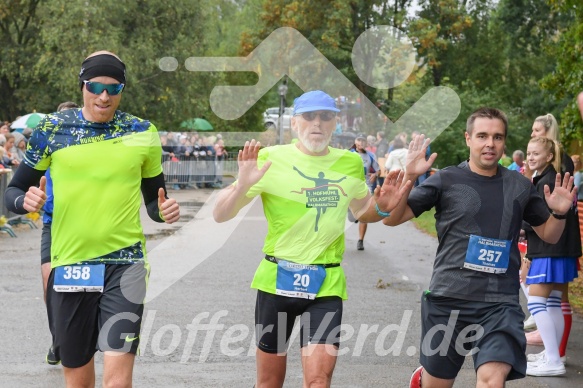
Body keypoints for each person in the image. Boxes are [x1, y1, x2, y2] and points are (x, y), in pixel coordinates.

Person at [4, 51, 180, 387]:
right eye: (96, 86)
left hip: (126, 264)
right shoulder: (52, 129)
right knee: (78, 380)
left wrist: (164, 211)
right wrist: (23, 200)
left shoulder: (142, 132)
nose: (104, 96)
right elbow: (12, 191)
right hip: (71, 263)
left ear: (123, 90)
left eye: (113, 89)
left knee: (117, 380)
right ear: (83, 85)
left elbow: (155, 200)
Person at [213, 90, 409, 388]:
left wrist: (382, 206)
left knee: (318, 381)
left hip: (326, 283)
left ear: (335, 124)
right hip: (276, 280)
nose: (317, 123)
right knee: (269, 383)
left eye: (325, 117)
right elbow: (220, 215)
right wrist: (241, 185)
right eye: (309, 116)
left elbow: (361, 212)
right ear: (295, 123)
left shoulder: (350, 163)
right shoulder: (269, 159)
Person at [378, 107, 575, 388]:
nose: (490, 144)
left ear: (504, 142)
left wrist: (558, 213)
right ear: (468, 138)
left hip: (500, 302)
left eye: (497, 137)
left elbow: (550, 235)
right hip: (449, 298)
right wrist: (408, 178)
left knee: (493, 380)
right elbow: (394, 219)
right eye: (482, 136)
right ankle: (425, 378)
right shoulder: (446, 180)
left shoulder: (519, 185)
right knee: (439, 383)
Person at [522, 136, 581, 376]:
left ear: (548, 157)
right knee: (555, 303)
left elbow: (539, 218)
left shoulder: (546, 182)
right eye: (528, 153)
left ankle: (554, 360)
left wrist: (519, 228)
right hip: (562, 249)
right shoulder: (550, 176)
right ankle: (552, 355)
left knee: (536, 302)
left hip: (550, 249)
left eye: (536, 153)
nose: (530, 157)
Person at [40, 101, 79, 366]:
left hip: (79, 224)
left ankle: (77, 338)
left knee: (79, 286)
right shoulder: (47, 148)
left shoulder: (85, 149)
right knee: (49, 283)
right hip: (52, 222)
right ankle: (57, 340)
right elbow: (28, 182)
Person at [350, 135, 380, 250]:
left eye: (363, 141)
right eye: (359, 141)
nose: (361, 143)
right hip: (350, 186)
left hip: (365, 186)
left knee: (363, 214)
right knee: (349, 214)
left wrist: (374, 175)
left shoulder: (370, 156)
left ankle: (360, 241)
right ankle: (353, 213)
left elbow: (378, 170)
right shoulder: (348, 154)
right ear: (355, 142)